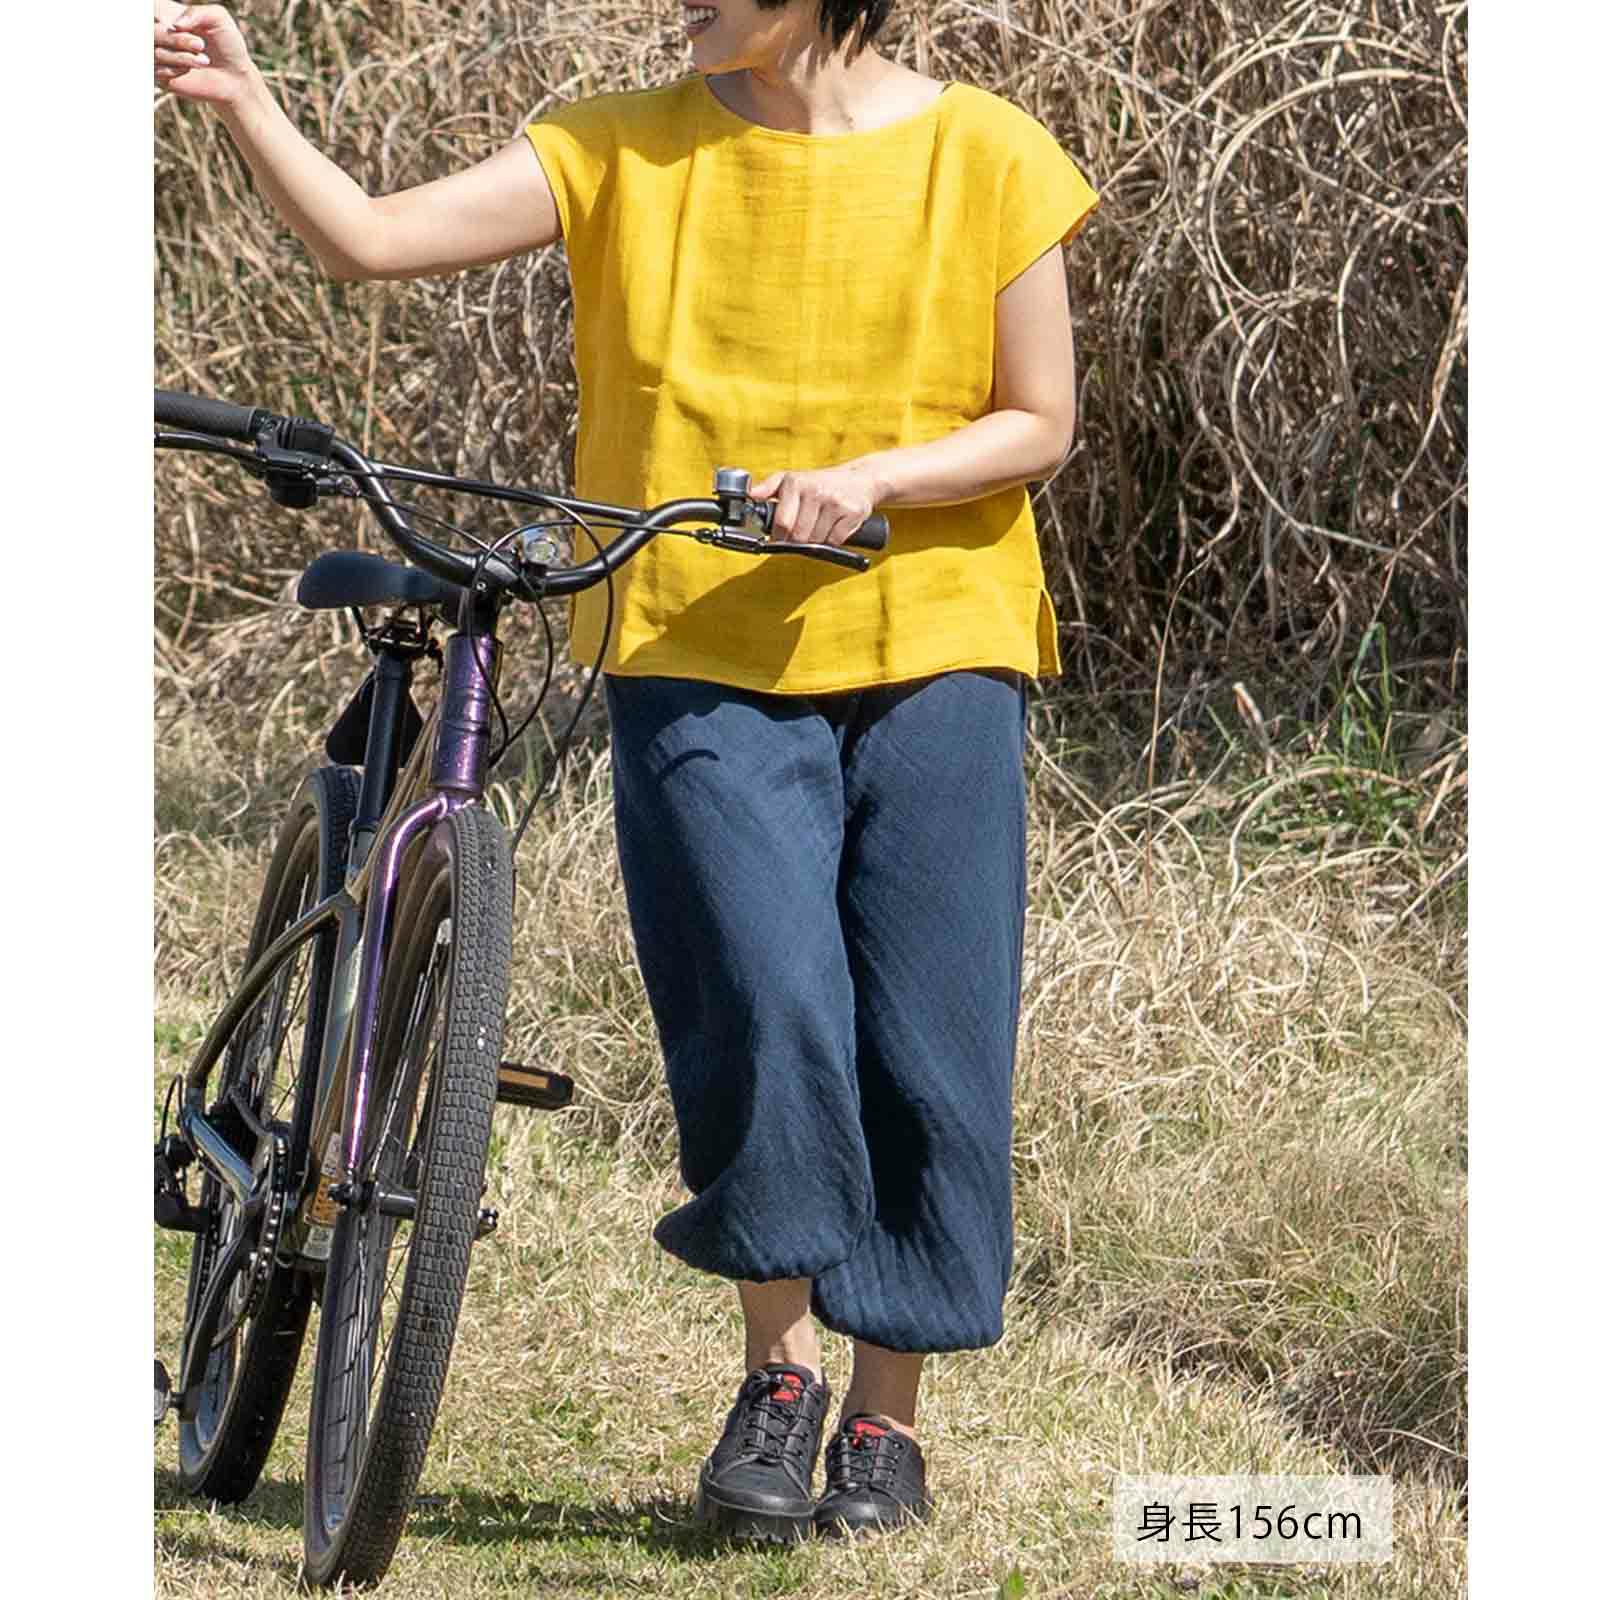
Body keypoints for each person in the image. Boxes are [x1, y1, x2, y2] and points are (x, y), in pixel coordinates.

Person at [155, 0, 1097, 1542]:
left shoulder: (989, 154)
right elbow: (369, 241)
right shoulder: (618, 146)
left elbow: (1038, 419)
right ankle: (780, 1380)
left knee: (932, 1040)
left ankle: (886, 1423)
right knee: (760, 999)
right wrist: (247, 102)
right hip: (689, 642)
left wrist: (869, 476)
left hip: (940, 641)